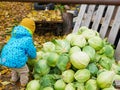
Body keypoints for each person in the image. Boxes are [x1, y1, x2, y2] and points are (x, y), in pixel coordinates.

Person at [0, 18, 37, 87]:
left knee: (14, 68)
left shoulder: (14, 36)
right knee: (24, 71)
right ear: (31, 30)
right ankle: (23, 83)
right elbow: (31, 51)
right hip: (16, 59)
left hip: (5, 58)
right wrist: (34, 56)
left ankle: (13, 79)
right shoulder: (28, 39)